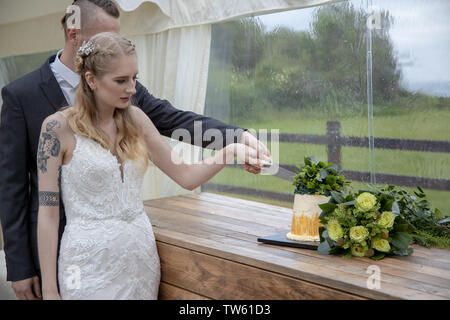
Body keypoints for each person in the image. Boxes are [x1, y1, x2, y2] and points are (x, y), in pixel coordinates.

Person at [0, 0, 270, 300]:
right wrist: (25, 270)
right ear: (74, 34)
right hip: (76, 258)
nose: (130, 86)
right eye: (103, 38)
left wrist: (234, 141)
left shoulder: (130, 102)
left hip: (138, 257)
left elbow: (176, 125)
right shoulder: (27, 101)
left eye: (133, 79)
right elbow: (12, 189)